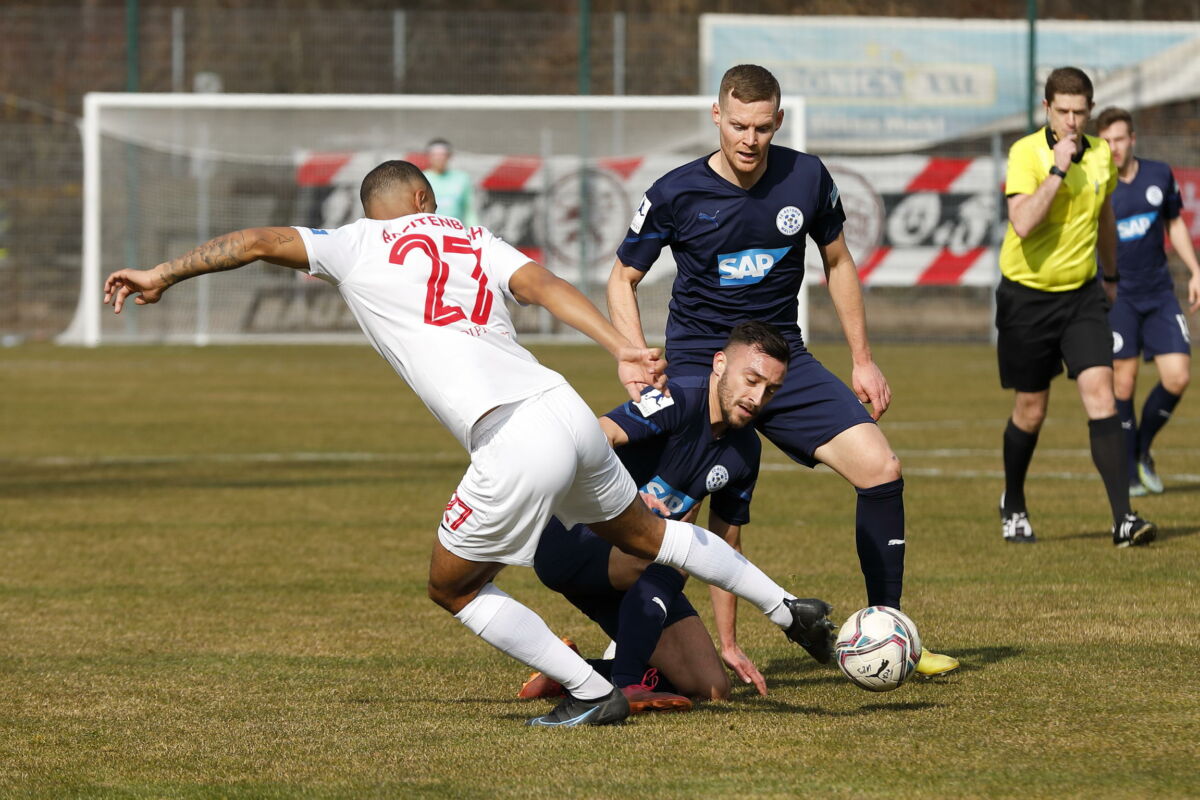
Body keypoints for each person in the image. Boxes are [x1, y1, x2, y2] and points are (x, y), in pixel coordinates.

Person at [102, 160, 837, 728]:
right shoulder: (473, 237)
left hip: (511, 435)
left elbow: (258, 242)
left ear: (376, 211)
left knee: (451, 586)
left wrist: (163, 272)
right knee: (653, 535)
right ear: (427, 201)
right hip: (564, 407)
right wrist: (621, 342)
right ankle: (786, 605)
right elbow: (546, 284)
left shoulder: (356, 243)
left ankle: (589, 691)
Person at [606, 64, 958, 676]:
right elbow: (622, 278)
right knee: (670, 521)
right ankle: (621, 655)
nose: (749, 139)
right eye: (738, 125)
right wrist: (635, 359)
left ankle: (888, 631)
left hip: (781, 358)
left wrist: (863, 359)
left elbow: (839, 262)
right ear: (717, 116)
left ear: (779, 122)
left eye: (762, 127)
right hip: (702, 364)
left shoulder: (808, 177)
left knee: (881, 468)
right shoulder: (674, 192)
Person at [520, 321, 790, 713]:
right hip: (574, 544)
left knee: (711, 686)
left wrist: (729, 644)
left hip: (642, 568)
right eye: (751, 380)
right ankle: (627, 685)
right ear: (719, 364)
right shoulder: (677, 399)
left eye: (770, 390)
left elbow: (726, 547)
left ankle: (572, 671)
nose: (757, 396)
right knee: (674, 545)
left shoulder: (746, 451)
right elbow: (600, 433)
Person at [996, 68, 1155, 547]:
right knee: (1031, 409)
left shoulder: (1102, 154)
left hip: (1082, 295)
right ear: (1046, 109)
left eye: (1079, 112)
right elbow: (1022, 222)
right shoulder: (1027, 153)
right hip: (1027, 296)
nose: (1071, 120)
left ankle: (1123, 520)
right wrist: (1058, 169)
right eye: (1062, 111)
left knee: (1101, 396)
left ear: (1089, 111)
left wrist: (1110, 277)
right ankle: (1014, 502)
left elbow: (1105, 217)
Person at [1096, 107, 1200, 498]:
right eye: (1105, 141)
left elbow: (1174, 223)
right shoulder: (1096, 185)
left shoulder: (1159, 174)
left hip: (1159, 294)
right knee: (1123, 383)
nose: (1113, 148)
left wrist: (1195, 270)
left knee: (1178, 376)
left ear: (1133, 139)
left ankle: (1141, 448)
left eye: (1119, 139)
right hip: (1118, 295)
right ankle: (1130, 470)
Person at [422, 139, 476, 226]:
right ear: (428, 156)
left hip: (456, 232)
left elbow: (469, 210)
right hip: (430, 231)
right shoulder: (421, 179)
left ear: (449, 156)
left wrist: (474, 229)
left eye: (442, 154)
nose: (439, 158)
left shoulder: (462, 179)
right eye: (435, 155)